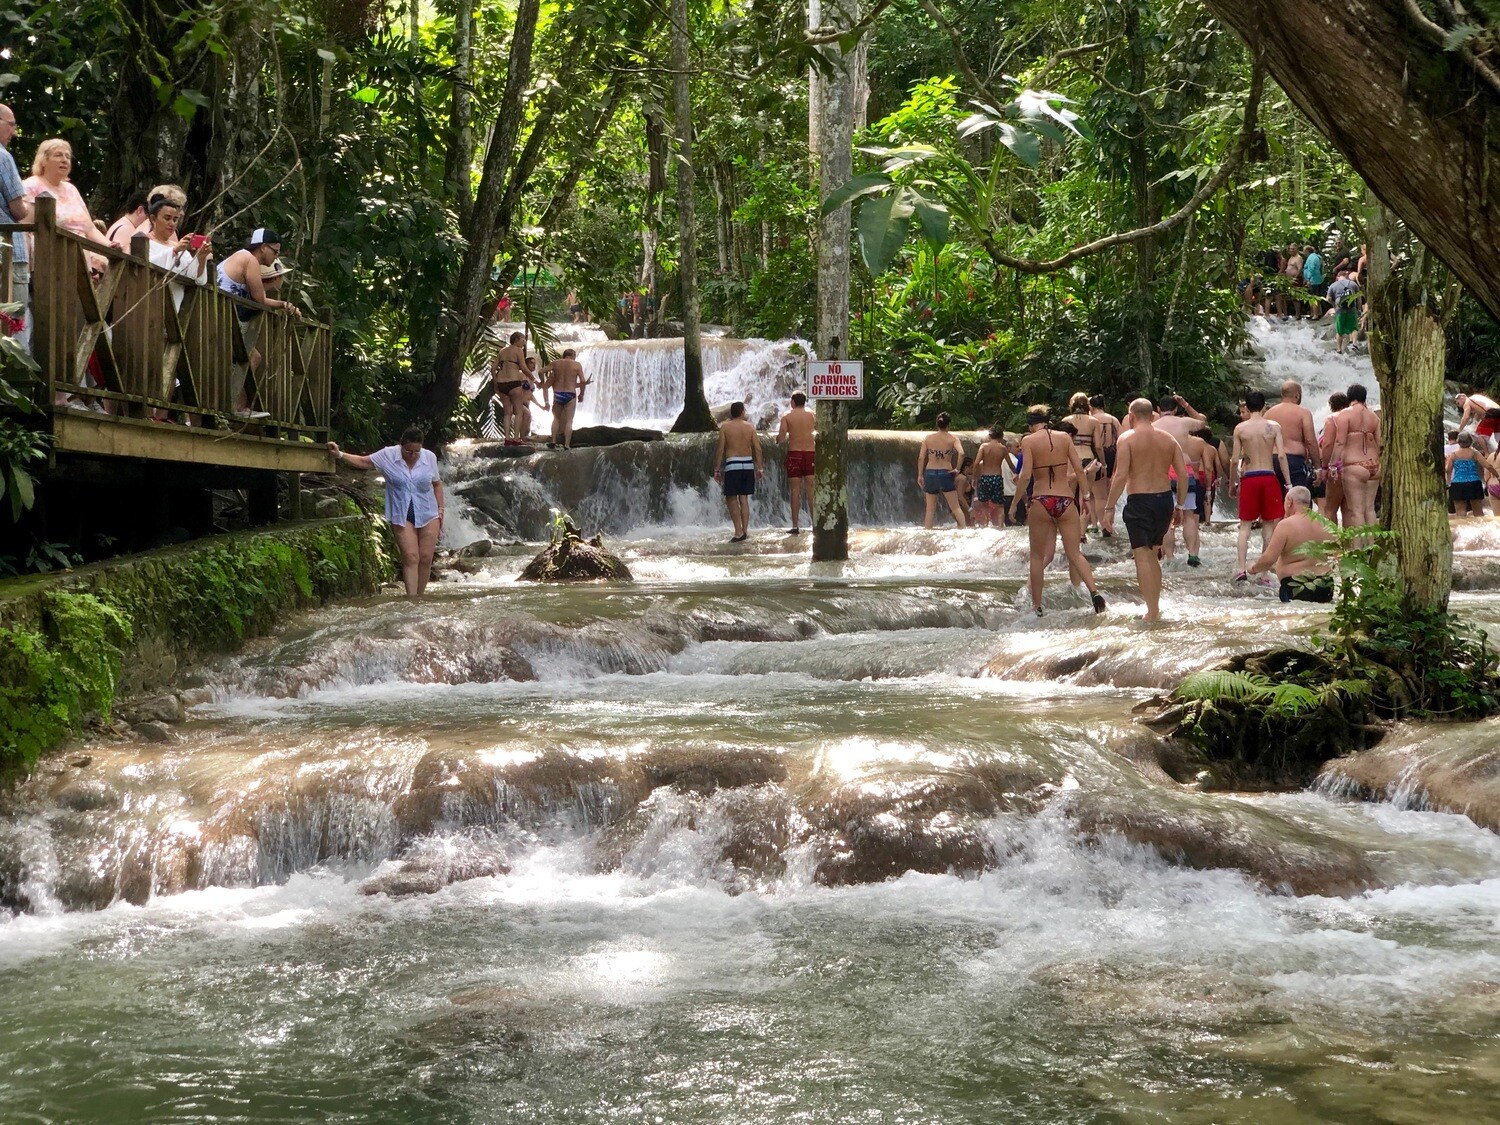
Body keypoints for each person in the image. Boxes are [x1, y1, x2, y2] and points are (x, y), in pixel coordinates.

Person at [1010, 406, 1106, 616]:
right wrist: (1086, 496)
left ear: (1030, 424)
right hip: (1065, 500)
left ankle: (1037, 607)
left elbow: (1025, 475)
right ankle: (1095, 592)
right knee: (1074, 553)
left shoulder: (1029, 441)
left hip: (1041, 499)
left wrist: (1014, 503)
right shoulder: (1064, 438)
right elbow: (1079, 469)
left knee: (1037, 557)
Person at [328, 427, 444, 600]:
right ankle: (412, 599)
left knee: (426, 557)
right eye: (408, 451)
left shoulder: (429, 457)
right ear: (401, 446)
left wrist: (441, 510)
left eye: (416, 451)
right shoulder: (388, 455)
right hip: (401, 512)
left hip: (429, 511)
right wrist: (339, 454)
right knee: (411, 557)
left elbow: (437, 484)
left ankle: (420, 597)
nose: (413, 455)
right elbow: (363, 461)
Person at [1106, 399, 1189, 622]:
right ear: (1153, 416)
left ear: (1131, 416)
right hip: (1164, 500)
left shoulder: (1127, 438)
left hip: (1140, 501)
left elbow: (1121, 476)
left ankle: (1151, 612)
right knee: (1152, 554)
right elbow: (1183, 475)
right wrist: (1180, 506)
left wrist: (1109, 507)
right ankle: (1154, 608)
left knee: (1142, 557)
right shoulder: (1168, 439)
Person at [218, 227, 299, 417]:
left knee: (252, 356)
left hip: (219, 316)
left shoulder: (240, 257)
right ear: (263, 247)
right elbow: (259, 299)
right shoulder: (250, 259)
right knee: (252, 357)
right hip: (223, 320)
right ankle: (237, 407)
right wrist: (284, 304)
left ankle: (235, 406)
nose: (276, 257)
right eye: (275, 252)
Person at [23, 137, 113, 274]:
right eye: (58, 155)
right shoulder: (31, 185)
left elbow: (89, 228)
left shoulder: (71, 190)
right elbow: (25, 229)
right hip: (48, 264)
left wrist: (109, 244)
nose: (64, 160)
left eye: (68, 157)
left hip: (79, 265)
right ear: (44, 160)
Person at [1230, 390, 1291, 582]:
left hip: (1250, 478)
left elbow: (1235, 460)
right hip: (1269, 476)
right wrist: (1288, 483)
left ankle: (1241, 569)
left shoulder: (1240, 429)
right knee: (1268, 525)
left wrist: (1233, 482)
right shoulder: (1274, 427)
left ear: (1247, 408)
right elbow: (1281, 456)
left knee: (1245, 526)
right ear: (1264, 406)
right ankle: (1264, 573)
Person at [1247, 486, 1335, 602]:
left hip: (1296, 586)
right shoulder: (1326, 524)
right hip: (1325, 587)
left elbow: (1269, 559)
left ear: (1289, 502)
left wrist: (1253, 568)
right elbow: (1340, 555)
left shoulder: (1285, 525)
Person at [144, 193, 211, 312]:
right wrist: (174, 250)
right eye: (167, 218)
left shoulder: (179, 247)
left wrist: (201, 257)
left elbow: (195, 277)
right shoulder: (144, 241)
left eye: (175, 219)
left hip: (174, 306)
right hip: (149, 303)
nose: (172, 223)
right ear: (153, 219)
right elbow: (145, 267)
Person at [0, 103, 31, 354]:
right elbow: (19, 210)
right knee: (14, 323)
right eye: (11, 125)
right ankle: (15, 374)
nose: (14, 132)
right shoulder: (2, 156)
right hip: (9, 253)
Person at [1328, 382, 1381, 528]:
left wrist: (1332, 465)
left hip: (1354, 465)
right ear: (1364, 398)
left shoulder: (1345, 414)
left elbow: (1339, 442)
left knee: (1356, 511)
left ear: (1349, 397)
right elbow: (1379, 443)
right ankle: (1371, 541)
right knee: (1369, 509)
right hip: (1374, 465)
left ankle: (1359, 543)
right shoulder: (1374, 417)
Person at [713, 401, 762, 543]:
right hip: (748, 464)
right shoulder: (750, 427)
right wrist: (760, 467)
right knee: (743, 498)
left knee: (731, 498)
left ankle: (738, 532)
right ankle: (745, 531)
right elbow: (757, 448)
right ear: (742, 412)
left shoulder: (725, 427)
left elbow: (720, 449)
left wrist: (716, 469)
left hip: (733, 464)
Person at [1264, 380, 1320, 491]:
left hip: (1272, 461)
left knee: (1277, 497)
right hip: (1293, 461)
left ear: (1282, 395)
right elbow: (1310, 441)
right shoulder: (1303, 412)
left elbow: (1264, 440)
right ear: (1297, 395)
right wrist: (1317, 467)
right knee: (1298, 497)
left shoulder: (1268, 413)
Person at [1061, 392, 1105, 531]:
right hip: (1088, 458)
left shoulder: (1066, 420)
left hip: (1071, 459)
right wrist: (1103, 464)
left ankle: (1069, 530)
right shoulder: (1093, 421)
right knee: (1086, 496)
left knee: (1069, 496)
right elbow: (1098, 446)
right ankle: (1082, 533)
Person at [917, 412, 968, 529]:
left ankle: (927, 532)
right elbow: (961, 453)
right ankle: (964, 530)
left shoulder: (928, 438)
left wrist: (920, 475)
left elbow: (921, 458)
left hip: (930, 472)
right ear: (948, 425)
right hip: (945, 472)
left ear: (937, 424)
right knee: (955, 507)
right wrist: (957, 469)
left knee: (930, 509)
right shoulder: (953, 439)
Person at [775, 391, 816, 534]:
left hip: (795, 454)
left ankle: (795, 526)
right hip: (811, 453)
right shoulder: (813, 414)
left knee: (795, 490)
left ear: (792, 402)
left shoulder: (787, 416)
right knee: (811, 490)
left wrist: (777, 440)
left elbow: (781, 436)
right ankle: (816, 524)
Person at [488, 331, 535, 443]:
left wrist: (495, 383)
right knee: (518, 412)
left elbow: (493, 368)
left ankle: (507, 438)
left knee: (507, 413)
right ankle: (516, 438)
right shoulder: (518, 350)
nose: (524, 342)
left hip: (501, 383)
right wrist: (533, 379)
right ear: (516, 339)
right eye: (523, 339)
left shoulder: (502, 351)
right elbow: (523, 367)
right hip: (514, 382)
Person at [543, 348, 591, 450]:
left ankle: (553, 441)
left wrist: (541, 381)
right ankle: (567, 445)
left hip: (558, 394)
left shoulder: (556, 363)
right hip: (570, 394)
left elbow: (543, 374)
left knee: (556, 418)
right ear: (573, 355)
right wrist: (581, 394)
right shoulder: (576, 364)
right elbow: (582, 381)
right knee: (569, 421)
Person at [1089, 395, 1121, 536]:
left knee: (1097, 495)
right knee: (1108, 494)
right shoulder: (1113, 420)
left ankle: (1102, 526)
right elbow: (1121, 440)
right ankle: (1110, 523)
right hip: (1112, 454)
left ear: (1091, 406)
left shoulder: (1090, 420)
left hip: (1096, 455)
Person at [1317, 392, 1349, 522]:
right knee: (1348, 510)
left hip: (1337, 468)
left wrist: (1325, 467)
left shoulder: (1333, 419)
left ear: (1331, 406)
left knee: (1330, 509)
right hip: (1353, 466)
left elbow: (1328, 444)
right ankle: (1351, 536)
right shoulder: (1354, 419)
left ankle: (1333, 535)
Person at [971, 426, 1009, 528]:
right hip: (997, 478)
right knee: (1000, 505)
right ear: (1001, 436)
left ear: (990, 436)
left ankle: (985, 525)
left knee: (984, 505)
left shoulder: (984, 447)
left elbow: (976, 463)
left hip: (985, 477)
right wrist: (1017, 473)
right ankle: (1000, 526)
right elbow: (1011, 465)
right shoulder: (1003, 448)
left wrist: (974, 478)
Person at [1447, 433, 1488, 518]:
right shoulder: (1475, 453)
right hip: (1474, 483)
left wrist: (1448, 482)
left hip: (1457, 484)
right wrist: (1492, 477)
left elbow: (1448, 470)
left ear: (1458, 441)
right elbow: (1486, 466)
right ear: (1471, 441)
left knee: (1460, 514)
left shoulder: (1453, 455)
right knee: (1479, 514)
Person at [1326, 268, 1361, 353]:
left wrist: (1334, 304)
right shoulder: (1353, 284)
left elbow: (1328, 298)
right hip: (1351, 308)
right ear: (1346, 276)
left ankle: (1339, 349)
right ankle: (1354, 343)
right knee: (1354, 328)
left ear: (1338, 276)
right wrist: (1359, 309)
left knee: (1339, 330)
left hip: (1340, 309)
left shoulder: (1333, 285)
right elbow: (1359, 298)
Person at [1301, 244, 1325, 318]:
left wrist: (1308, 279)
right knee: (1316, 296)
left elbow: (1311, 269)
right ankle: (1316, 313)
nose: (1303, 252)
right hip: (1318, 279)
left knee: (1313, 297)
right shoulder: (1317, 256)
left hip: (1313, 280)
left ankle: (1315, 314)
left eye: (1304, 251)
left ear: (1307, 251)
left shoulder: (1311, 258)